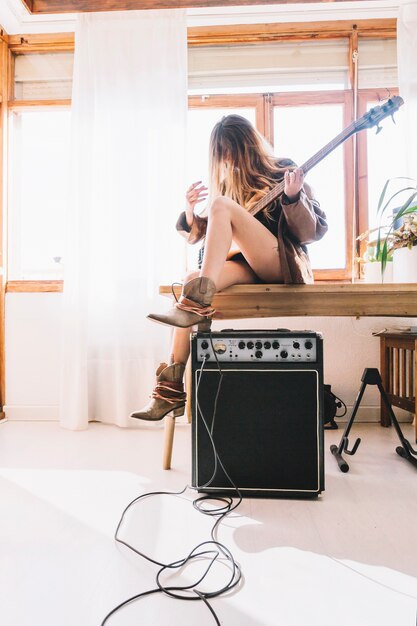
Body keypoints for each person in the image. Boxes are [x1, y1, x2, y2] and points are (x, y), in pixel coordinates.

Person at [130, 114, 328, 421]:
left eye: (230, 150)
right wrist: (190, 211)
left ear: (246, 146)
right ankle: (169, 391)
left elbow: (310, 233)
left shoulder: (284, 170)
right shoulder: (228, 184)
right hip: (246, 265)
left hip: (279, 262)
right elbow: (203, 237)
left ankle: (196, 301)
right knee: (189, 280)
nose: (226, 159)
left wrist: (292, 197)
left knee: (221, 205)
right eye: (220, 154)